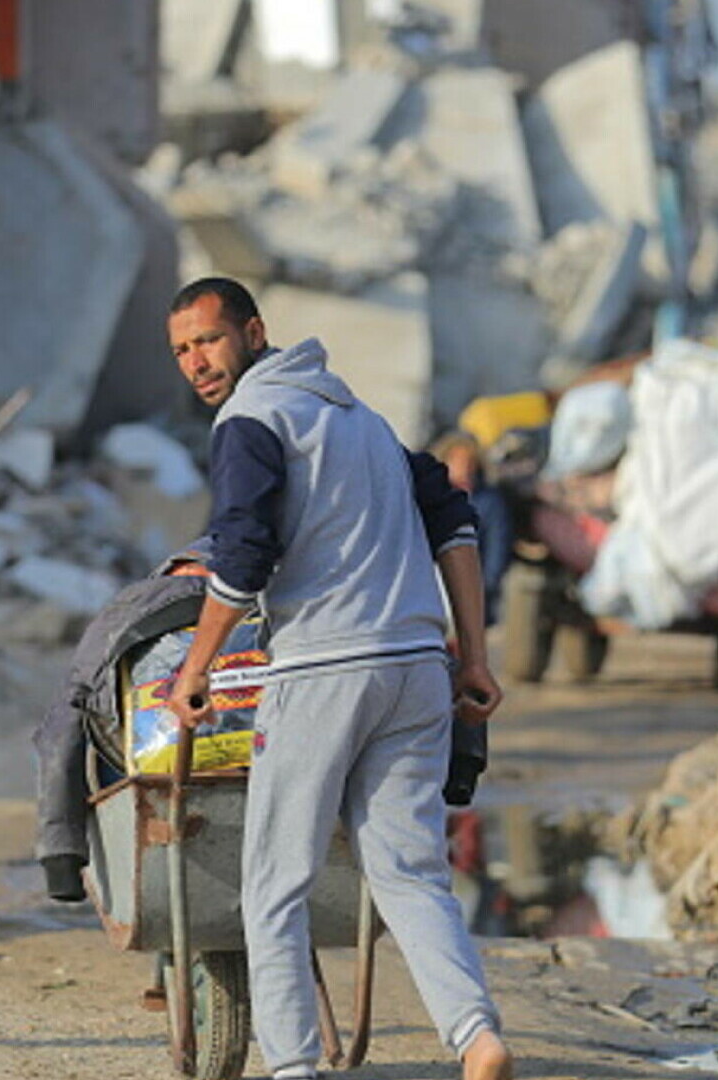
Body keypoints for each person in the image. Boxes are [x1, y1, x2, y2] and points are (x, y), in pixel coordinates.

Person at [164, 277, 512, 1080]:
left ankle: (293, 1067)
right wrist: (475, 653)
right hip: (418, 671)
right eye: (181, 350)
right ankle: (476, 1035)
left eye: (209, 340)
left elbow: (243, 555)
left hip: (324, 670)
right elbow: (454, 518)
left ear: (253, 332)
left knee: (275, 887)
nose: (195, 362)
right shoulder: (363, 420)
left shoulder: (252, 418)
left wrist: (195, 670)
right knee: (411, 872)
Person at [31, 544, 219, 902]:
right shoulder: (288, 598)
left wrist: (61, 857)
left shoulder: (133, 606)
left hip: (153, 774)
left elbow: (63, 724)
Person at [430, 430, 512, 625]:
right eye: (458, 461)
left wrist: (483, 588)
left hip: (472, 590)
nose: (464, 468)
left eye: (469, 462)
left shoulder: (490, 502)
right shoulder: (430, 496)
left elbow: (497, 548)